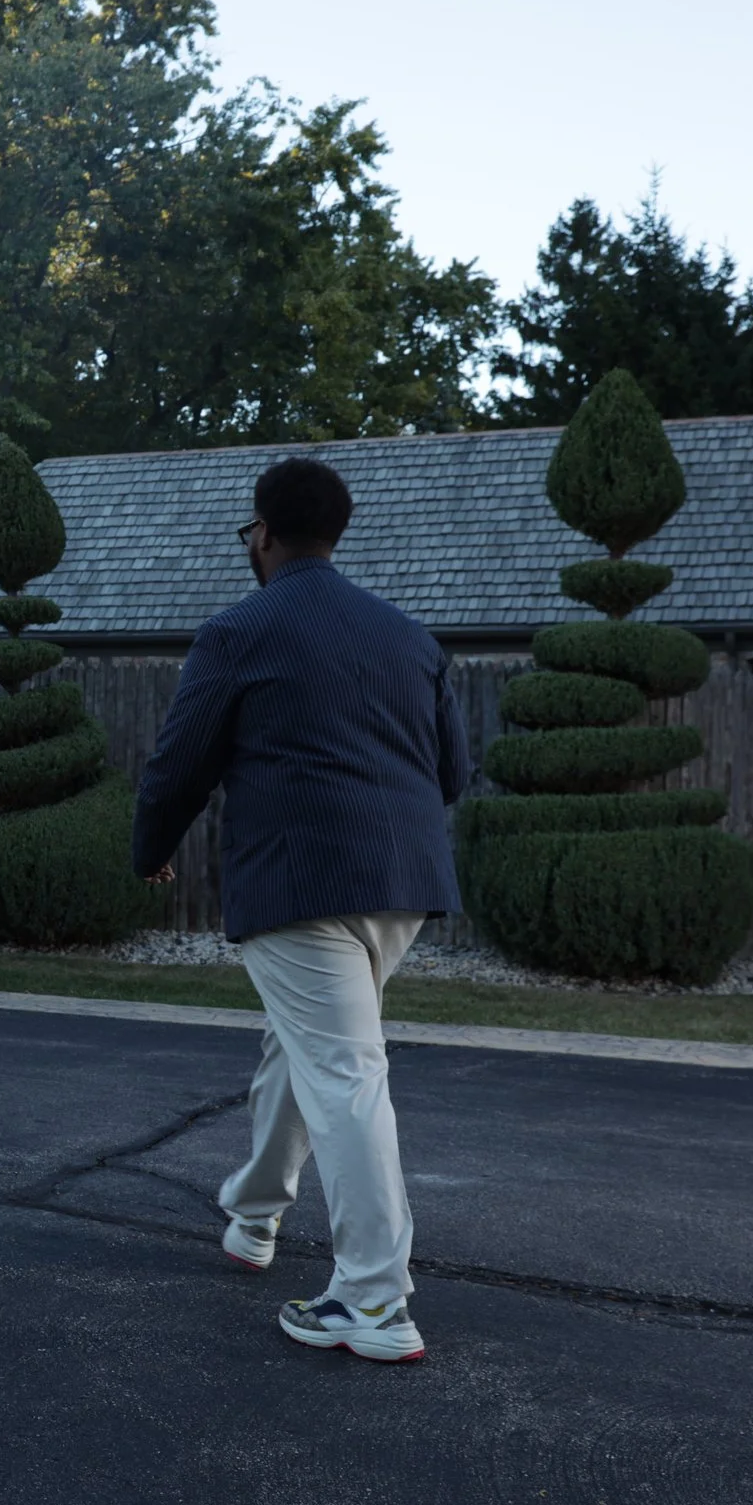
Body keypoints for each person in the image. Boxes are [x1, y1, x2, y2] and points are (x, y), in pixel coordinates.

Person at [132, 456, 471, 1363]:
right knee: (304, 1049)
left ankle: (373, 1301)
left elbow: (179, 764)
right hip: (402, 884)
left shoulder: (238, 632)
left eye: (249, 531)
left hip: (298, 883)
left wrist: (150, 848)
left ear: (265, 534)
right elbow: (452, 773)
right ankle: (253, 1217)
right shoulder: (409, 636)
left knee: (345, 1072)